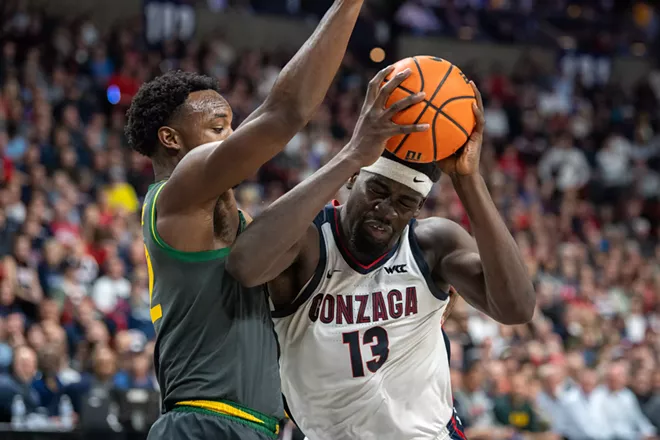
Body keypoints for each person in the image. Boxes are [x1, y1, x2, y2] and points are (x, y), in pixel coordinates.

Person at [228, 70, 536, 439]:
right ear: (353, 178)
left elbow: (516, 308)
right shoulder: (308, 242)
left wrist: (469, 181)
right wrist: (353, 153)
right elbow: (244, 266)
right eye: (378, 191)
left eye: (405, 203)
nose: (387, 210)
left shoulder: (433, 243)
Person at [124, 1, 366, 439]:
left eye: (232, 126)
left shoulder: (236, 221)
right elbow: (284, 113)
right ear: (170, 139)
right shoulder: (176, 195)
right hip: (203, 421)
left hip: (257, 426)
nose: (233, 138)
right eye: (219, 127)